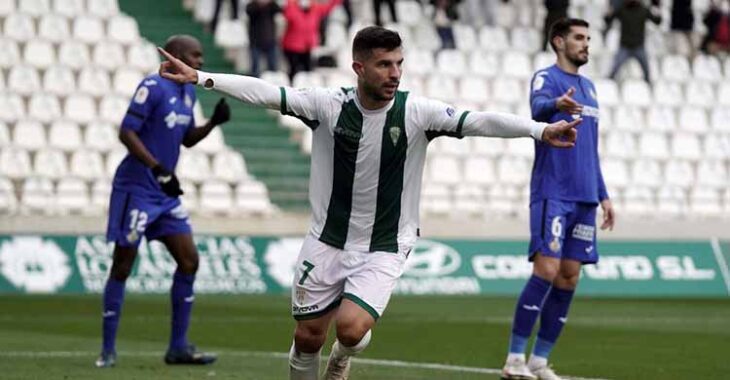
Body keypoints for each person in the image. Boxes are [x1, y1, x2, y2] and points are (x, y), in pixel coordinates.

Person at [157, 25, 580, 380]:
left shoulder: (417, 111)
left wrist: (539, 130)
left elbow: (479, 121)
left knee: (351, 328)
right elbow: (268, 93)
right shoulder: (327, 105)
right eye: (384, 64)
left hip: (385, 243)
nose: (394, 73)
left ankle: (342, 359)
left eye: (398, 63)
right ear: (359, 67)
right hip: (326, 239)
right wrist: (201, 78)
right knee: (307, 338)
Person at [95, 35, 231, 368]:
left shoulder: (186, 91)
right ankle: (108, 350)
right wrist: (157, 168)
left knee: (189, 261)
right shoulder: (152, 86)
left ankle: (178, 348)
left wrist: (213, 123)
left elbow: (185, 138)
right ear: (175, 56)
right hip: (137, 188)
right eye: (195, 55)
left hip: (164, 194)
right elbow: (126, 133)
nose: (200, 61)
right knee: (123, 265)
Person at [501, 18, 615, 380]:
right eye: (579, 38)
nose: (586, 44)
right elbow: (536, 110)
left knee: (569, 278)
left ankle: (539, 360)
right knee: (546, 270)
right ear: (558, 42)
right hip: (553, 190)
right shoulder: (546, 78)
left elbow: (591, 149)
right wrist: (555, 104)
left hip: (584, 197)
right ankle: (514, 359)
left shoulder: (591, 89)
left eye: (588, 39)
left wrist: (604, 195)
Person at [282, 0, 342, 82]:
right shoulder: (292, 8)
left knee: (308, 72)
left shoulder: (316, 9)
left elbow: (327, 8)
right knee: (294, 70)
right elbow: (288, 15)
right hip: (292, 47)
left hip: (308, 47)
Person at [605, 0, 662, 83]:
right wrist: (609, 12)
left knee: (647, 73)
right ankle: (608, 86)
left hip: (638, 47)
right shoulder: (621, 9)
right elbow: (608, 20)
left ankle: (648, 88)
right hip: (625, 46)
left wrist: (657, 9)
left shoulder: (644, 10)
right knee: (614, 70)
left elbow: (657, 21)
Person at [246, 0, 282, 77]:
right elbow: (250, 12)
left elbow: (279, 9)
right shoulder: (252, 6)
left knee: (273, 69)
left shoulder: (271, 6)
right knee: (255, 68)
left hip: (270, 41)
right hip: (255, 41)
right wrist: (259, 4)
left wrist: (269, 2)